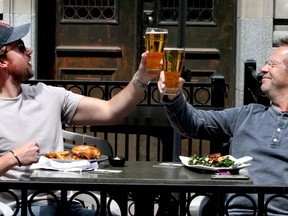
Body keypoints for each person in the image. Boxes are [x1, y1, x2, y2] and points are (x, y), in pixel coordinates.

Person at [0, 22, 156, 215]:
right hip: (19, 207)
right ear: (2, 62)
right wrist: (13, 158)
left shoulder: (47, 95)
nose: (29, 51)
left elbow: (111, 111)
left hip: (66, 204)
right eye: (21, 48)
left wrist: (142, 77)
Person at [157, 37, 288, 215]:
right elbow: (192, 123)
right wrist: (173, 95)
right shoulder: (247, 115)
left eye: (272, 64)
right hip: (234, 212)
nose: (263, 69)